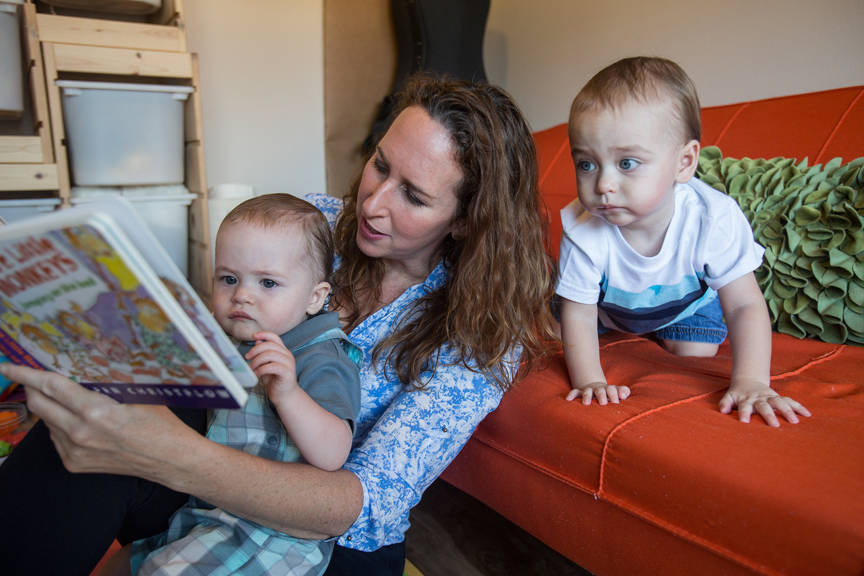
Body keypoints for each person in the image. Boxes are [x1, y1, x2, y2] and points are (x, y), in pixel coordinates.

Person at [0, 74, 556, 576]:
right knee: (81, 428)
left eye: (412, 195)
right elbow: (217, 320)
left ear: (464, 220)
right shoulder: (315, 222)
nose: (373, 202)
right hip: (224, 464)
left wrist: (168, 452)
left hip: (330, 538)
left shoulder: (481, 339)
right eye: (381, 165)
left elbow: (359, 502)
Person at [104, 194, 361, 576]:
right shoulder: (236, 334)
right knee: (120, 564)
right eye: (228, 278)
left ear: (314, 298)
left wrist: (288, 393)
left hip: (271, 534)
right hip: (209, 507)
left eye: (268, 283)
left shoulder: (320, 357)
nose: (242, 294)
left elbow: (333, 454)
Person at [555, 56, 811, 427]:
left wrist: (752, 382)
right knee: (561, 321)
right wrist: (590, 380)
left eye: (627, 163)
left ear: (684, 162)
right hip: (607, 308)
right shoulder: (583, 229)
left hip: (685, 306)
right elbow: (579, 311)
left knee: (697, 351)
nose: (603, 185)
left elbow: (742, 305)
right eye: (587, 164)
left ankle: (669, 332)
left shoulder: (712, 218)